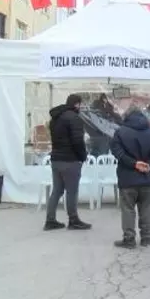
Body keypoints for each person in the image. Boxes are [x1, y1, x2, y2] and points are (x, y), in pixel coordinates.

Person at [110, 107, 150, 249]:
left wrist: (134, 164)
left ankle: (129, 239)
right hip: (148, 178)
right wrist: (149, 164)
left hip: (127, 178)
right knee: (146, 208)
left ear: (126, 117)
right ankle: (146, 237)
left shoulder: (120, 132)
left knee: (128, 209)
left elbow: (117, 151)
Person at [43, 94, 91, 231]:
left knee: (57, 190)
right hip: (70, 160)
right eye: (80, 104)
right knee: (72, 191)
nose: (81, 107)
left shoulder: (55, 119)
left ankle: (50, 220)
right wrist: (83, 156)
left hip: (56, 159)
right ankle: (73, 220)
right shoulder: (74, 118)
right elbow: (78, 141)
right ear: (77, 104)